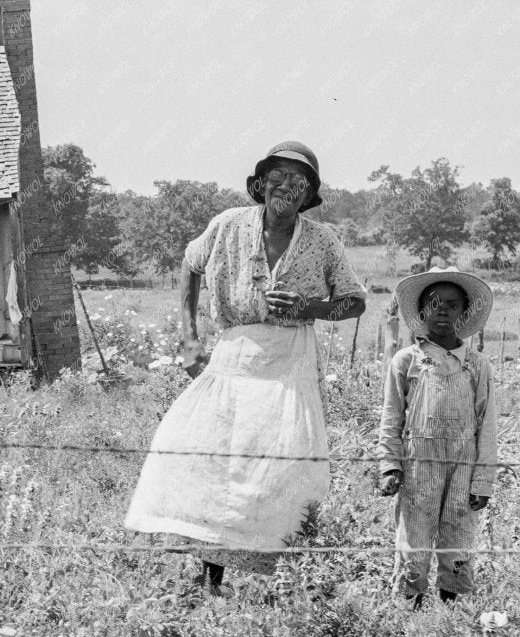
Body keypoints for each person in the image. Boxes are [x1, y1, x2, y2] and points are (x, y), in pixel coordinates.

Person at [124, 141, 366, 589]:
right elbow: (190, 264)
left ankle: (287, 572)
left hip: (290, 359)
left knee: (285, 463)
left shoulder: (322, 240)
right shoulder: (227, 225)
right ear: (260, 184)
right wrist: (190, 337)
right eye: (278, 177)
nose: (287, 187)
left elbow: (354, 304)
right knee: (214, 454)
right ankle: (209, 573)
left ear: (309, 194)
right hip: (235, 353)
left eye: (300, 181)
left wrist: (310, 306)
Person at [377, 266, 498, 607]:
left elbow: (486, 424)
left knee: (458, 534)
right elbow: (391, 416)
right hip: (419, 460)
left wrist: (483, 481)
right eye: (433, 303)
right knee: (414, 534)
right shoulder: (407, 361)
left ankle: (451, 607)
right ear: (421, 311)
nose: (442, 310)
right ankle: (409, 605)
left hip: (464, 461)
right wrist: (389, 465)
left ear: (465, 312)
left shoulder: (476, 364)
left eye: (452, 304)